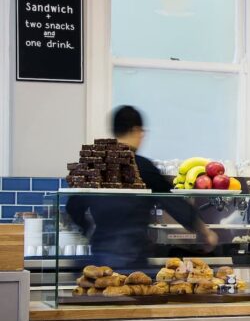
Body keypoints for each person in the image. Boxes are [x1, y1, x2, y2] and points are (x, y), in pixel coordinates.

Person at [66, 106, 218, 268]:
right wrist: (205, 232)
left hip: (101, 257)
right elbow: (175, 204)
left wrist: (89, 230)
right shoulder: (142, 167)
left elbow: (72, 207)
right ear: (136, 130)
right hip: (133, 260)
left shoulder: (94, 166)